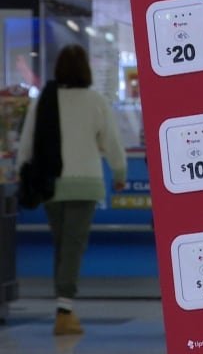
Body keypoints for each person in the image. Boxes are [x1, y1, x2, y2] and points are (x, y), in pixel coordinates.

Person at [16, 44, 127, 336]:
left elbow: (28, 140)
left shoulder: (44, 101)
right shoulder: (96, 101)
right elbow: (112, 141)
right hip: (86, 184)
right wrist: (119, 172)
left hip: (52, 184)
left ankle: (64, 307)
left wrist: (20, 171)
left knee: (63, 247)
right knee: (73, 247)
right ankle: (64, 312)